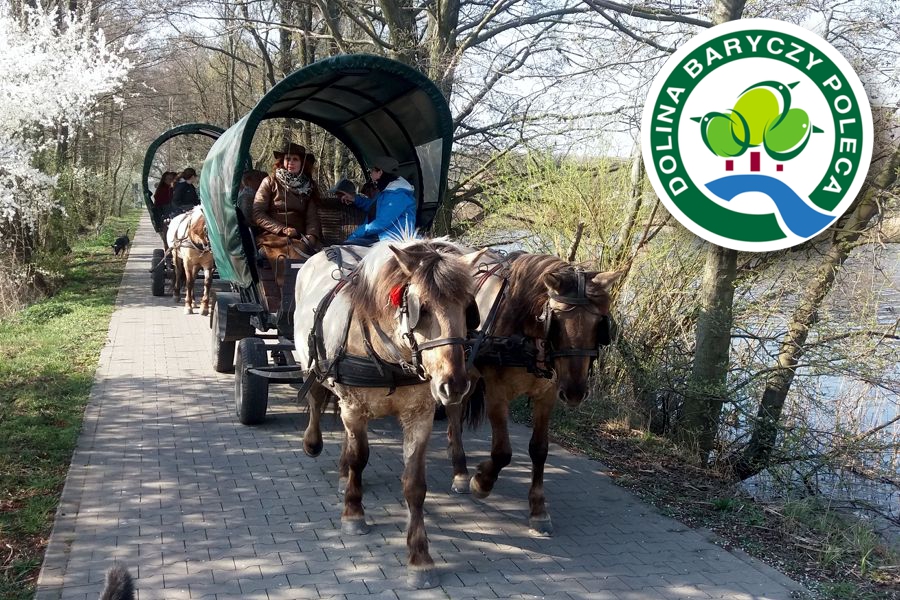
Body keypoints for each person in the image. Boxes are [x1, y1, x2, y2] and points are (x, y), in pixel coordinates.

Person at [252, 142, 321, 269]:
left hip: (300, 237)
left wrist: (311, 236)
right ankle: (288, 288)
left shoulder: (309, 186)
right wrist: (283, 229)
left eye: (295, 159)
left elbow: (312, 218)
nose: (291, 162)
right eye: (288, 159)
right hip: (272, 237)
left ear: (302, 163)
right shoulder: (270, 182)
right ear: (282, 161)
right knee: (292, 255)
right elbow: (257, 213)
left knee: (324, 259)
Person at [335, 156, 415, 245]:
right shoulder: (388, 190)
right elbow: (375, 207)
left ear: (380, 172)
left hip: (392, 240)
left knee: (346, 249)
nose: (370, 173)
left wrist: (358, 233)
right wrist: (354, 199)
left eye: (372, 170)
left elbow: (381, 223)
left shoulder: (397, 195)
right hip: (381, 236)